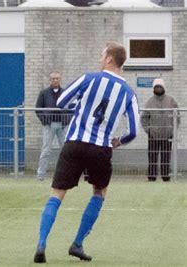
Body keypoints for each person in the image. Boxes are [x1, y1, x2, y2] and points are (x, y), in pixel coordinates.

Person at [33, 42, 140, 263]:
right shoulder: (129, 93)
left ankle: (42, 244)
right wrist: (117, 142)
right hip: (101, 148)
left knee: (57, 193)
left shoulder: (89, 78)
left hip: (74, 143)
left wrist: (82, 106)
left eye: (103, 55)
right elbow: (133, 131)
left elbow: (61, 102)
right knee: (99, 193)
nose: (100, 58)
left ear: (110, 58)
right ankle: (78, 243)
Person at [141, 78, 180, 182]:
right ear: (153, 88)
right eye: (156, 87)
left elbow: (177, 116)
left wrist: (173, 130)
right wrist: (148, 130)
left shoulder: (171, 101)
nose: (158, 88)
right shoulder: (149, 102)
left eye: (160, 86)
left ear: (164, 88)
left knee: (166, 157)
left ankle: (165, 176)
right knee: (152, 156)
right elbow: (144, 118)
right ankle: (152, 177)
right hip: (153, 135)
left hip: (167, 135)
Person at [35, 71, 71, 180]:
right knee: (46, 150)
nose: (55, 80)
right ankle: (41, 175)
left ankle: (67, 175)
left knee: (65, 150)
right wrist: (45, 121)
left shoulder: (66, 93)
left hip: (63, 125)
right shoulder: (44, 93)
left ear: (60, 80)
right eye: (53, 78)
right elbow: (38, 109)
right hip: (49, 125)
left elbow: (71, 108)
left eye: (57, 78)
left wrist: (67, 120)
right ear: (50, 80)